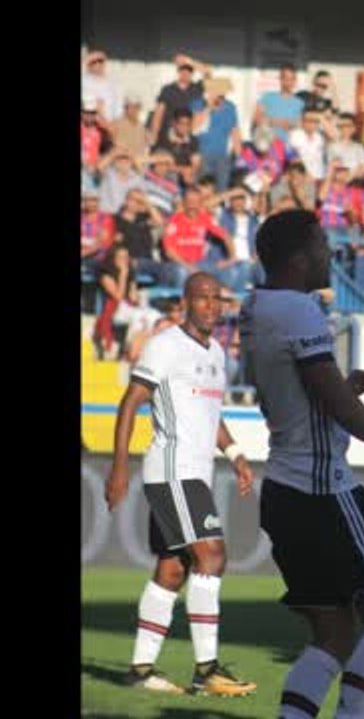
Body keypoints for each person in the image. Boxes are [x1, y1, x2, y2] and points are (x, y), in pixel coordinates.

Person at [240, 210, 364, 719]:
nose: (329, 255)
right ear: (299, 259)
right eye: (321, 246)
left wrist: (342, 383)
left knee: (333, 636)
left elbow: (306, 388)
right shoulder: (298, 309)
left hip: (284, 490)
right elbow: (331, 402)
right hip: (325, 492)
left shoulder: (256, 306)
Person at [105, 272, 257, 697]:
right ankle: (207, 670)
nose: (211, 305)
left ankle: (140, 670)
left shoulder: (217, 355)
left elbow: (211, 417)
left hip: (196, 473)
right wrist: (119, 467)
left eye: (217, 299)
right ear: (186, 302)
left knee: (173, 570)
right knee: (212, 555)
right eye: (202, 298)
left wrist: (237, 454)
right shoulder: (165, 345)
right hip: (173, 471)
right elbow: (131, 401)